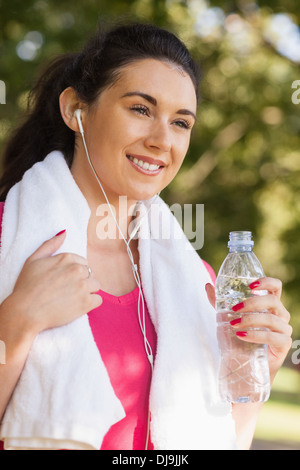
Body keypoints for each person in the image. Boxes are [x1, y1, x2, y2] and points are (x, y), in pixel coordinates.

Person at [0, 21, 292, 451]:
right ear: (75, 110)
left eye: (181, 123)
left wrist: (257, 363)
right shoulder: (9, 239)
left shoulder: (197, 281)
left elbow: (225, 441)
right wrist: (17, 322)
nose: (161, 140)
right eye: (140, 109)